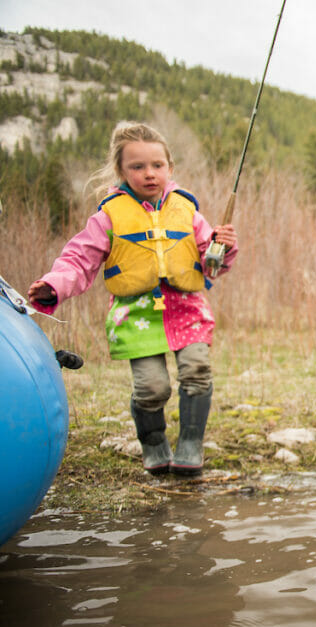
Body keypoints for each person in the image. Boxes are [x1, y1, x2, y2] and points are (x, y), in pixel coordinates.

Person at [27, 121, 237, 477]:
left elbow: (211, 261)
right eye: (137, 167)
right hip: (135, 313)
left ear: (170, 167)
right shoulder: (109, 215)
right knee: (152, 388)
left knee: (197, 370)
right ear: (121, 170)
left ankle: (191, 444)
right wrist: (54, 285)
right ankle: (153, 442)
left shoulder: (187, 211)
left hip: (187, 308)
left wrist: (223, 247)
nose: (149, 174)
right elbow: (79, 259)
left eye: (157, 165)